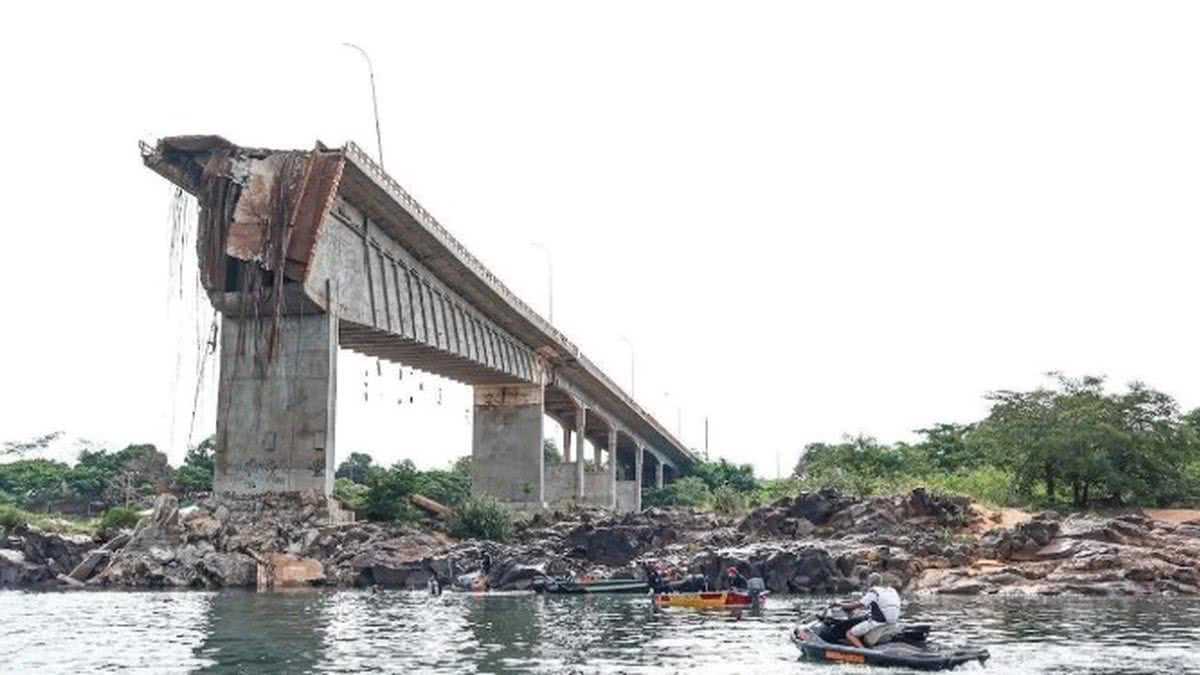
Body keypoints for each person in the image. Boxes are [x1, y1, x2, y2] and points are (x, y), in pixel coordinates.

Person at [838, 573, 901, 649]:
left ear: (869, 583)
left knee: (849, 634)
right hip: (892, 623)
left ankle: (864, 651)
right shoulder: (892, 591)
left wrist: (839, 604)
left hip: (878, 623)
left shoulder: (874, 592)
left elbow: (856, 605)